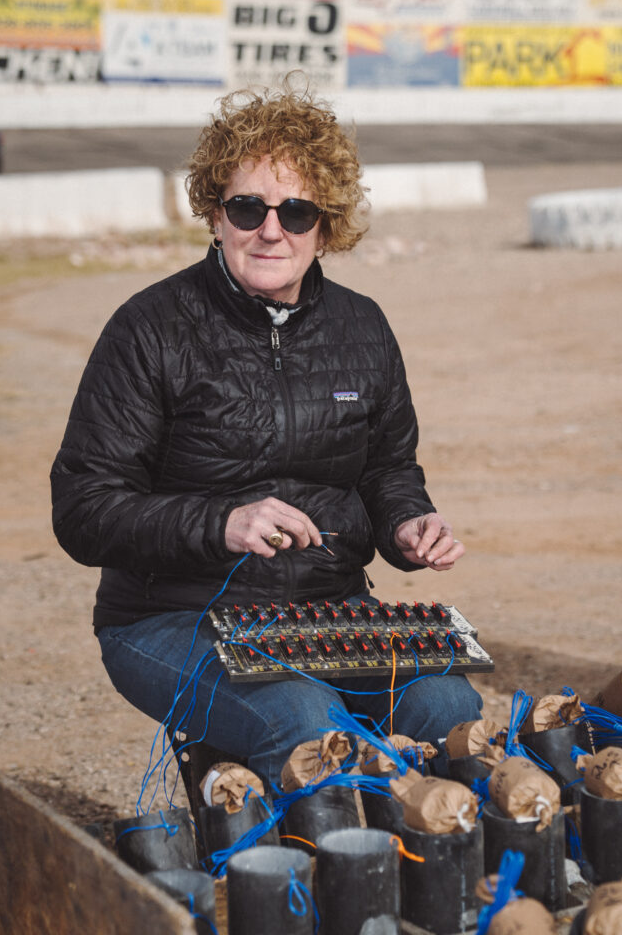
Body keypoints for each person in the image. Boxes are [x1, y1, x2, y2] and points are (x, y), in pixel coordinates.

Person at [50, 81, 482, 790]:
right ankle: (302, 887)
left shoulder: (362, 325)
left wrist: (408, 522)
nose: (271, 230)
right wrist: (221, 522)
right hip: (170, 618)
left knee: (449, 706)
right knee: (305, 721)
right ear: (215, 214)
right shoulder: (149, 328)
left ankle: (455, 894)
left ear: (327, 224)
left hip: (329, 613)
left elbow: (388, 469)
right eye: (248, 207)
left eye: (298, 211)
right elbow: (83, 510)